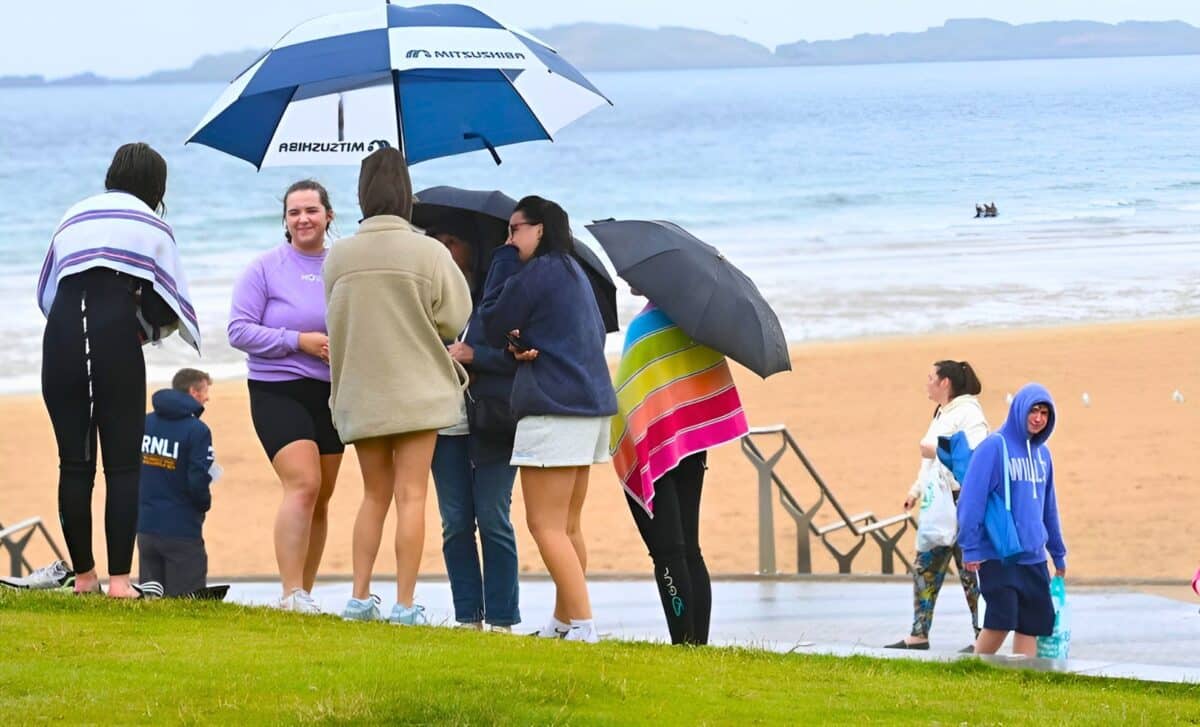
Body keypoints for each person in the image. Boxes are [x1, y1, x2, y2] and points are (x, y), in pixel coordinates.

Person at [37, 142, 201, 598]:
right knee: (124, 467)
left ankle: (84, 578)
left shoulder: (74, 214)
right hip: (114, 342)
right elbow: (171, 303)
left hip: (62, 339)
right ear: (156, 187)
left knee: (74, 463)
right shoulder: (152, 224)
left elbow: (48, 291)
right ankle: (120, 582)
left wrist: (76, 328)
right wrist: (140, 330)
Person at [324, 148, 472, 625]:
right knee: (412, 496)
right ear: (406, 193)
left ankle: (359, 597)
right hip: (416, 391)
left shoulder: (339, 255)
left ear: (362, 195)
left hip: (362, 391)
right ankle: (406, 605)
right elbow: (456, 316)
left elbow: (336, 312)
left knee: (373, 495)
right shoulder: (428, 251)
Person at [479, 195, 618, 644]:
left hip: (554, 408)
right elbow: (577, 334)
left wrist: (502, 257)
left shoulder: (538, 271)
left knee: (544, 524)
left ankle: (583, 625)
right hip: (589, 405)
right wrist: (525, 345)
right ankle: (564, 620)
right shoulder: (573, 271)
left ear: (539, 229)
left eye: (515, 229)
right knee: (568, 524)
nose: (510, 238)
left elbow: (490, 316)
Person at [228, 179, 344, 613]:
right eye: (294, 212)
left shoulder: (342, 266)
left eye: (311, 210)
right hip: (277, 388)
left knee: (322, 496)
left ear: (328, 215)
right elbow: (238, 330)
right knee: (303, 484)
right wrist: (300, 341)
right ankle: (289, 592)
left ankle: (304, 595)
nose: (303, 219)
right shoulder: (265, 268)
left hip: (333, 393)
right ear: (285, 220)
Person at [610, 295, 749, 645]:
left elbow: (628, 394)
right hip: (692, 443)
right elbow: (701, 380)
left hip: (655, 447)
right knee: (690, 547)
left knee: (667, 552)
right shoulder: (697, 321)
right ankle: (696, 644)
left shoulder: (645, 325)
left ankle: (682, 643)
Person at [427, 218, 522, 632]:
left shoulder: (498, 296)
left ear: (471, 249)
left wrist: (475, 356)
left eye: (453, 239)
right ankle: (469, 617)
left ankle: (501, 618)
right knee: (455, 522)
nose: (445, 248)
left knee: (493, 517)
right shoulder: (423, 296)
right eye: (437, 241)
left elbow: (519, 358)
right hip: (442, 421)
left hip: (494, 420)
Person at [958, 383, 1066, 656]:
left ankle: (1022, 682)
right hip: (1000, 553)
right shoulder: (994, 447)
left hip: (1034, 556)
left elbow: (1048, 508)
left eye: (1044, 413)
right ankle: (974, 669)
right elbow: (971, 500)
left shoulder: (1043, 456)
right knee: (1001, 619)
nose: (1038, 418)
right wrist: (970, 547)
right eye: (1034, 410)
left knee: (1032, 624)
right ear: (1020, 410)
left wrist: (1057, 553)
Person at [885, 361, 988, 651]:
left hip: (962, 501)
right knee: (925, 567)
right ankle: (919, 635)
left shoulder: (969, 412)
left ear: (945, 383)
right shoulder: (941, 412)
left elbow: (976, 453)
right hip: (937, 502)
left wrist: (939, 448)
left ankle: (982, 639)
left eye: (931, 378)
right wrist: (915, 490)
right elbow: (928, 463)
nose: (927, 383)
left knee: (971, 573)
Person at [137, 368, 215, 597]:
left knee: (151, 601)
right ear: (193, 391)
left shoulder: (145, 423)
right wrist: (204, 504)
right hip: (181, 529)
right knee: (187, 603)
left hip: (146, 527)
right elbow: (198, 479)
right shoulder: (197, 430)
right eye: (204, 391)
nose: (207, 397)